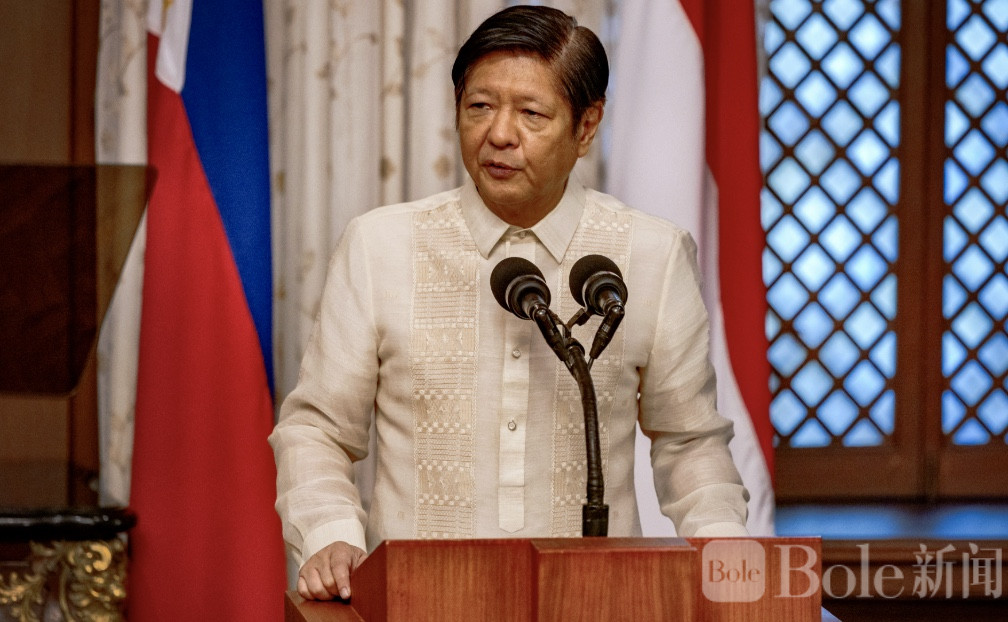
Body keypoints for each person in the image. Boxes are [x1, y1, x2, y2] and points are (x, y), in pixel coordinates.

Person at [269, 4, 749, 602]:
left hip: (595, 602)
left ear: (586, 127)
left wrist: (727, 549)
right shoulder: (380, 247)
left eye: (531, 113)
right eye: (479, 106)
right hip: (419, 600)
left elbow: (688, 441)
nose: (499, 134)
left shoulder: (652, 254)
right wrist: (330, 534)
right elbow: (317, 428)